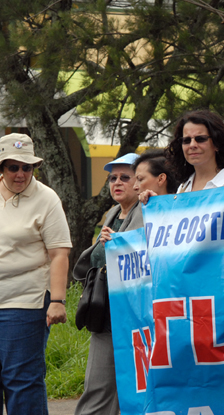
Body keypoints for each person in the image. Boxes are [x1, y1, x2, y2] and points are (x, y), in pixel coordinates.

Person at [0, 133, 71, 415]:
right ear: (2, 167)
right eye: (13, 167)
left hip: (25, 300)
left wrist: (58, 300)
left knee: (21, 381)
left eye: (26, 167)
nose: (20, 174)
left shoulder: (46, 198)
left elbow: (59, 254)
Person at [74, 153, 143, 415]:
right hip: (106, 313)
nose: (117, 183)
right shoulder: (113, 212)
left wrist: (117, 243)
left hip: (135, 316)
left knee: (128, 390)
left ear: (140, 182)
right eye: (112, 178)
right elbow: (97, 260)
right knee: (99, 386)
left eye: (125, 177)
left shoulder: (149, 211)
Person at [165, 109, 224, 194]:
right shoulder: (183, 188)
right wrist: (152, 200)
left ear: (217, 144)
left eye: (200, 139)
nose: (192, 145)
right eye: (186, 140)